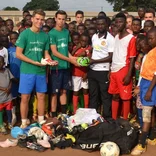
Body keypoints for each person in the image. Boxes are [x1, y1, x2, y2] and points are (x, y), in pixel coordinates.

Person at [16, 9, 57, 128]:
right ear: (32, 19)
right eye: (37, 19)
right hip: (27, 71)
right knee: (25, 97)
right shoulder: (24, 34)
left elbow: (46, 53)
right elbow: (18, 54)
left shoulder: (45, 36)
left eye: (42, 19)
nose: (39, 21)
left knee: (41, 96)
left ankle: (40, 120)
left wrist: (50, 61)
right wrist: (33, 62)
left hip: (40, 71)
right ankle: (24, 122)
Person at [131, 27, 156, 155]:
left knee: (146, 115)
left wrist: (149, 90)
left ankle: (141, 144)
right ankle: (152, 137)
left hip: (150, 85)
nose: (150, 41)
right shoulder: (150, 52)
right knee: (150, 113)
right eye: (149, 38)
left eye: (152, 38)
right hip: (146, 83)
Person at [49, 10, 78, 117]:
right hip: (56, 67)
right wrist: (69, 59)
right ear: (55, 19)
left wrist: (73, 58)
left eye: (63, 19)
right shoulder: (52, 33)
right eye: (59, 19)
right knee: (54, 93)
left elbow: (66, 50)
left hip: (65, 66)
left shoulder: (66, 32)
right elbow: (54, 52)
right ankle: (54, 115)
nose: (61, 21)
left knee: (64, 91)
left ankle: (64, 114)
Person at [108, 13, 137, 120]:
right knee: (115, 96)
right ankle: (114, 119)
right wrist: (110, 70)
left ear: (125, 23)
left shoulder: (131, 38)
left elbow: (132, 57)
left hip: (124, 69)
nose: (118, 24)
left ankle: (125, 121)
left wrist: (129, 74)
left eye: (121, 22)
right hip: (114, 70)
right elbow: (115, 54)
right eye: (117, 22)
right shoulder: (116, 37)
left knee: (125, 98)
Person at [88, 16, 115, 118]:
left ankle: (107, 118)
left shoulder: (110, 38)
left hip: (103, 71)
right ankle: (92, 118)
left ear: (107, 25)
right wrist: (89, 60)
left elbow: (110, 57)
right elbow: (94, 51)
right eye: (98, 24)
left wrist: (95, 61)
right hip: (92, 70)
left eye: (102, 24)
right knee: (93, 95)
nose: (100, 26)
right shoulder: (94, 36)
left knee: (105, 96)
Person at [71, 33, 92, 113]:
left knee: (85, 91)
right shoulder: (75, 48)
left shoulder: (89, 49)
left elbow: (90, 61)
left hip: (84, 73)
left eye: (85, 41)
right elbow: (71, 57)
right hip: (76, 73)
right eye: (82, 41)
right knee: (76, 91)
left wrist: (86, 73)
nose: (83, 43)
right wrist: (78, 50)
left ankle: (86, 109)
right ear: (79, 41)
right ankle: (75, 110)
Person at [8, 31, 21, 126]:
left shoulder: (22, 49)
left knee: (23, 97)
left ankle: (23, 114)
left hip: (23, 76)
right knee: (13, 98)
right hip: (13, 78)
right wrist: (11, 77)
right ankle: (14, 115)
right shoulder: (8, 50)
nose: (14, 40)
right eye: (12, 39)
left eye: (16, 38)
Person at [0, 56, 14, 134]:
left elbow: (11, 80)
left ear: (4, 63)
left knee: (9, 110)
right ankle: (1, 125)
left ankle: (9, 123)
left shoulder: (7, 71)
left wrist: (9, 87)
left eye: (0, 62)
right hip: (1, 96)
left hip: (8, 96)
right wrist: (3, 89)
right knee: (0, 111)